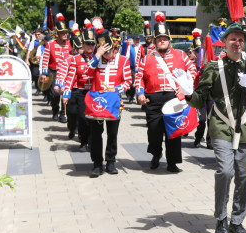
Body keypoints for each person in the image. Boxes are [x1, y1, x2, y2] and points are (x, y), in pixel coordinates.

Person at [186, 23, 246, 233]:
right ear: (225, 42)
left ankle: (237, 221)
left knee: (244, 178)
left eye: (241, 40)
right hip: (222, 126)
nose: (238, 43)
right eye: (233, 39)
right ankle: (221, 219)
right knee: (225, 172)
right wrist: (187, 93)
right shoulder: (214, 67)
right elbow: (199, 99)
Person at [135, 12, 197, 173]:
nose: (162, 41)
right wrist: (140, 93)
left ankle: (172, 162)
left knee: (174, 132)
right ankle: (156, 154)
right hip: (153, 99)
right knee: (154, 131)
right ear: (155, 41)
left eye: (165, 38)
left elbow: (193, 71)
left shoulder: (181, 55)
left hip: (174, 97)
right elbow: (139, 78)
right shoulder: (147, 58)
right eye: (159, 39)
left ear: (169, 40)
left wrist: (184, 87)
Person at [84, 27, 132, 177]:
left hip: (114, 102)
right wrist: (97, 55)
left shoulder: (122, 61)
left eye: (108, 50)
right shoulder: (95, 60)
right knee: (96, 134)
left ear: (113, 47)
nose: (107, 54)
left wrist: (116, 89)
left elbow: (128, 82)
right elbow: (86, 73)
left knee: (112, 133)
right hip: (96, 102)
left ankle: (110, 162)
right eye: (103, 51)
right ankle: (97, 163)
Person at [61, 21, 96, 150]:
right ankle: (83, 141)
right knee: (82, 117)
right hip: (81, 92)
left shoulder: (98, 58)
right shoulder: (76, 59)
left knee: (94, 119)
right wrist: (66, 94)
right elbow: (70, 77)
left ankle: (92, 141)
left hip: (94, 92)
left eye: (92, 44)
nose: (90, 46)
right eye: (87, 43)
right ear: (83, 44)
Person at [39, 14, 72, 122]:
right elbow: (45, 59)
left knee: (65, 93)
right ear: (57, 33)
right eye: (62, 32)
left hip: (65, 73)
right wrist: (44, 73)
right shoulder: (50, 44)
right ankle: (55, 110)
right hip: (53, 72)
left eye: (66, 32)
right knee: (55, 93)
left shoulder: (69, 44)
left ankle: (63, 113)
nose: (65, 34)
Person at [189, 29, 211, 149]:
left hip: (211, 94)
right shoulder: (192, 65)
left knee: (211, 119)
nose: (199, 53)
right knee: (202, 119)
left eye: (200, 51)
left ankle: (209, 141)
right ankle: (198, 138)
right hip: (199, 94)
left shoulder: (210, 62)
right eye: (197, 51)